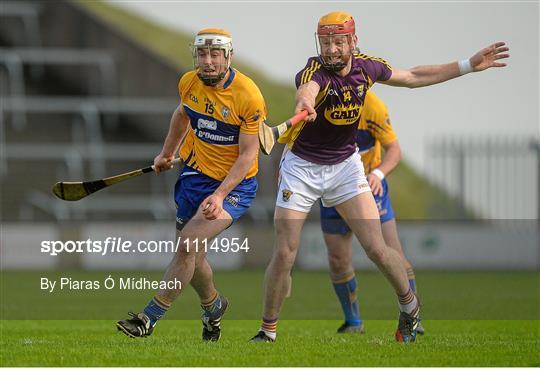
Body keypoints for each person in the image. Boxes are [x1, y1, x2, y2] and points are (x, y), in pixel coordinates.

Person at [250, 11, 508, 343]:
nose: (330, 50)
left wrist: (467, 65)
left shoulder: (367, 67)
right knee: (285, 252)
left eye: (338, 42)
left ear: (353, 42)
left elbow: (413, 76)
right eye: (325, 42)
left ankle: (410, 310)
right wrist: (306, 101)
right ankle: (267, 330)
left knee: (377, 248)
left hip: (345, 166)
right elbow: (306, 91)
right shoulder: (314, 71)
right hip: (302, 167)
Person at [117, 28, 266, 341]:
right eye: (202, 54)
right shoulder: (188, 82)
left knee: (187, 244)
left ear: (228, 57)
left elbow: (248, 156)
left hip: (235, 186)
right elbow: (182, 114)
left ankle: (149, 318)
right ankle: (214, 308)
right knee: (193, 257)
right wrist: (167, 153)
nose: (208, 62)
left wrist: (221, 194)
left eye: (215, 55)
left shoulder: (248, 96)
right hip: (195, 177)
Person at [319, 90, 424, 334]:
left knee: (390, 252)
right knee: (337, 259)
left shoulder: (373, 106)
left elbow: (394, 150)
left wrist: (378, 174)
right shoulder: (321, 99)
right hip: (332, 189)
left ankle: (413, 315)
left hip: (368, 187)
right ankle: (353, 322)